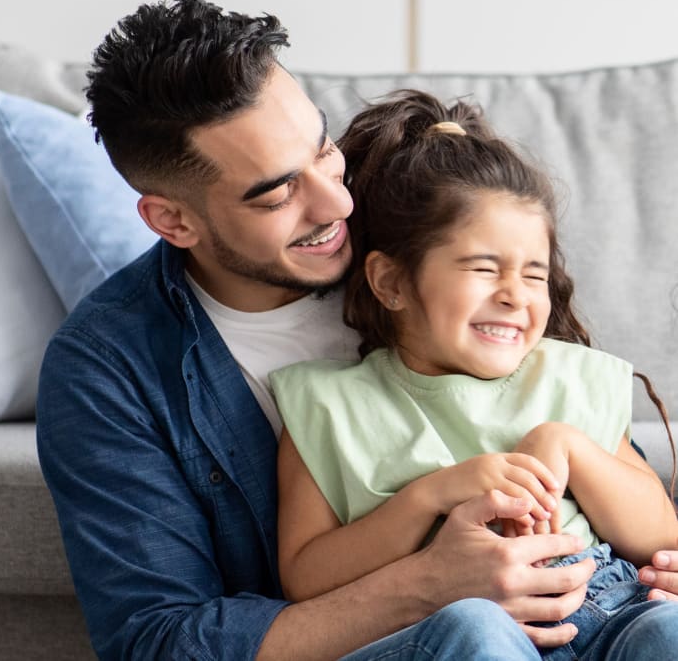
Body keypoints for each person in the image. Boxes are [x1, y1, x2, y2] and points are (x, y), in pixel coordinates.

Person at [33, 0, 678, 660]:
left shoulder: (418, 218)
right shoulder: (108, 370)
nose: (338, 203)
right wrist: (430, 582)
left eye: (323, 149)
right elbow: (160, 643)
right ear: (174, 221)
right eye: (279, 192)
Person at [269, 90, 678, 659]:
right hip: (450, 628)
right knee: (476, 629)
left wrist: (568, 448)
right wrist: (428, 497)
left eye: (534, 275)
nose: (514, 295)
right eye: (484, 269)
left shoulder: (568, 378)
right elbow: (305, 577)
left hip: (607, 609)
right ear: (390, 282)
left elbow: (662, 535)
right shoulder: (329, 405)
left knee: (668, 628)